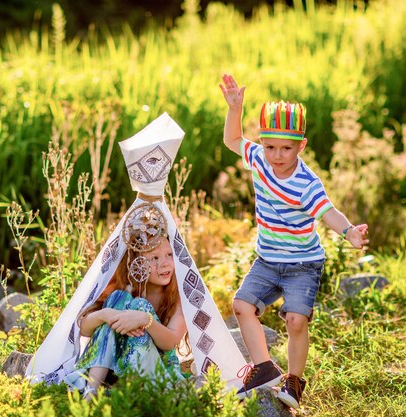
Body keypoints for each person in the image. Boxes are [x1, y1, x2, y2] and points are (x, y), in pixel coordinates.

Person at [218, 73, 369, 409]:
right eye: (270, 146)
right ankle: (264, 368)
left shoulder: (307, 183)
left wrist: (349, 232)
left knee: (296, 320)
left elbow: (328, 212)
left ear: (301, 146)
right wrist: (235, 109)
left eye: (286, 148)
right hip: (267, 261)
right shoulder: (258, 159)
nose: (276, 155)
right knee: (242, 305)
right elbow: (232, 140)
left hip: (303, 264)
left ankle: (295, 381)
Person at [63, 218, 188, 399]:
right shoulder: (122, 289)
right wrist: (106, 314)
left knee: (140, 306)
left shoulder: (178, 296)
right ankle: (92, 390)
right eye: (154, 258)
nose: (165, 263)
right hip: (118, 367)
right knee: (117, 299)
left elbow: (170, 342)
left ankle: (104, 390)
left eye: (169, 255)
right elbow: (84, 328)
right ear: (135, 262)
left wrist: (146, 320)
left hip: (158, 371)